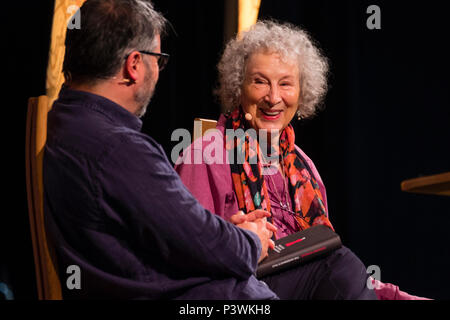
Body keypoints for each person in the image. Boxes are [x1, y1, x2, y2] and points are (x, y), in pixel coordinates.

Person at [175, 21, 427, 300]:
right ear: (239, 87)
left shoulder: (303, 168)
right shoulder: (207, 155)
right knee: (341, 265)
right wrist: (234, 241)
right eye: (260, 82)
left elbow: (329, 261)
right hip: (242, 292)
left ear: (301, 92)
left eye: (285, 84)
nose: (273, 98)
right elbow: (183, 254)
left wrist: (395, 296)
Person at [44, 0, 278, 299]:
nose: (158, 70)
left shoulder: (66, 118)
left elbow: (177, 229)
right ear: (134, 65)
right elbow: (201, 241)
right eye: (158, 59)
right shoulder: (120, 148)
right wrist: (251, 240)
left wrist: (228, 235)